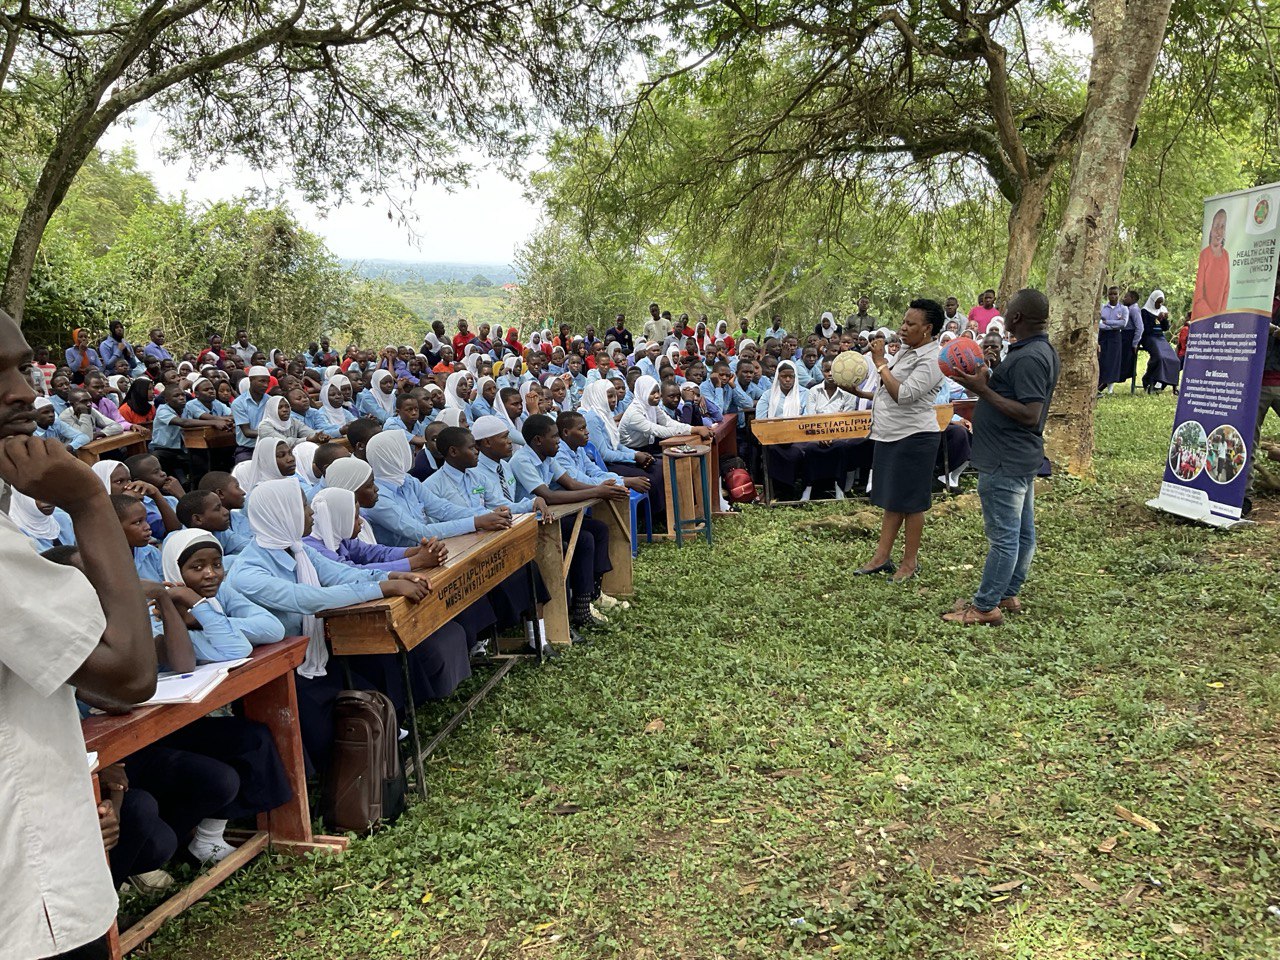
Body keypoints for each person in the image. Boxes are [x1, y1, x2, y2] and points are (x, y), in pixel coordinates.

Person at [0, 301, 158, 959]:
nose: (21, 390)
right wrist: (91, 501)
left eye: (19, 366)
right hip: (32, 900)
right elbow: (128, 674)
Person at [944, 288, 1060, 626]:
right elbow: (1015, 394)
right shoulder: (1036, 350)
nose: (1004, 314)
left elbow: (1029, 413)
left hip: (1004, 458)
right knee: (1022, 533)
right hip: (1018, 456)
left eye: (1008, 310)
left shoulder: (1029, 357)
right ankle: (1007, 592)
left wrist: (982, 391)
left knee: (1005, 537)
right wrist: (988, 380)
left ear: (1017, 318)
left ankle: (984, 607)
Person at [855, 299, 946, 582]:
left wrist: (881, 364)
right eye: (903, 322)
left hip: (915, 437)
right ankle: (881, 557)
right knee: (893, 500)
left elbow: (904, 395)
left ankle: (910, 563)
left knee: (912, 503)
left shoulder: (933, 359)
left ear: (928, 329)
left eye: (911, 324)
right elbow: (886, 392)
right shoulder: (907, 351)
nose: (903, 328)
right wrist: (856, 391)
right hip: (890, 433)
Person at [1138, 289, 1180, 393]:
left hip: (1160, 338)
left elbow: (1165, 328)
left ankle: (1168, 385)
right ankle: (1149, 380)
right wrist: (1156, 318)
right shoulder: (1145, 311)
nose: (1159, 304)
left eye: (1161, 302)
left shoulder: (1162, 309)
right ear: (1153, 301)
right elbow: (1146, 329)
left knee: (1174, 359)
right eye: (1158, 302)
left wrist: (1165, 319)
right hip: (1149, 338)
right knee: (1160, 357)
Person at [1191, 207, 1230, 320]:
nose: (1219, 231)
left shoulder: (1226, 255)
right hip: (1203, 319)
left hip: (1218, 321)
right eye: (1216, 226)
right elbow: (1198, 296)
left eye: (1222, 227)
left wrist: (1220, 317)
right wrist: (1212, 317)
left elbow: (1226, 289)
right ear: (1211, 229)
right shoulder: (1204, 255)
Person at [1098, 285, 1127, 393]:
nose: (1113, 296)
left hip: (1115, 337)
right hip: (1103, 335)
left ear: (1119, 295)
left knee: (1113, 361)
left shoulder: (1123, 309)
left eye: (1115, 294)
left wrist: (1108, 322)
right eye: (1111, 294)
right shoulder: (1103, 307)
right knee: (1102, 359)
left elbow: (1123, 323)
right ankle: (1099, 384)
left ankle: (1110, 389)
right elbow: (1099, 323)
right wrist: (1110, 325)